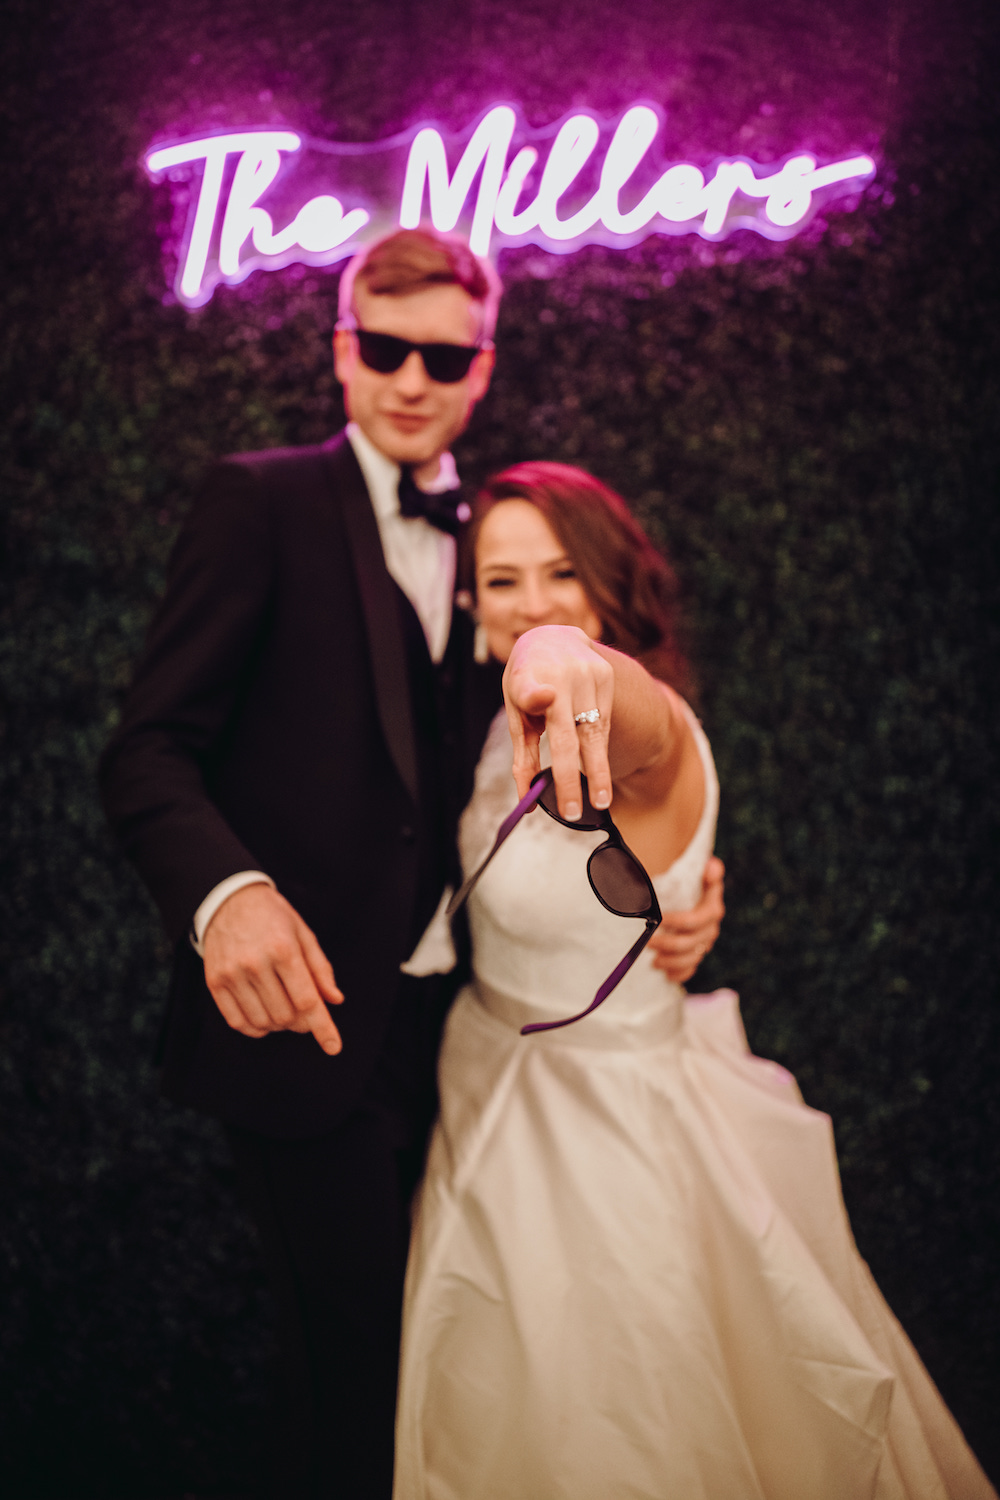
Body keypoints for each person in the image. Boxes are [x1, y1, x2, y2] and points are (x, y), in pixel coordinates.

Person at [99, 230, 724, 1499]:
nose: (410, 378)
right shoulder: (256, 499)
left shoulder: (503, 537)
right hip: (305, 1016)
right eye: (382, 347)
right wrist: (229, 896)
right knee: (357, 1372)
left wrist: (673, 890)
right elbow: (148, 750)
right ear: (341, 351)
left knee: (463, 1366)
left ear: (481, 367)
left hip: (459, 1035)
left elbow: (585, 739)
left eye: (443, 354)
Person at [393, 462, 995, 1500]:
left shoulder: (640, 727)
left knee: (627, 1428)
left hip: (611, 1143)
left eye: (560, 576)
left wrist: (560, 655)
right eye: (502, 583)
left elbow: (635, 718)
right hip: (485, 1089)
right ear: (466, 596)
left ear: (608, 585)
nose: (530, 603)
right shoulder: (497, 726)